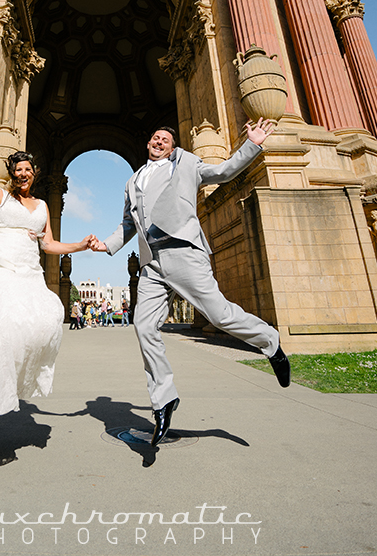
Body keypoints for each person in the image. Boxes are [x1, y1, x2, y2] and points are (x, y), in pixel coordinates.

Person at [89, 121, 291, 446]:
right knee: (143, 327)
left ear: (172, 147)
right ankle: (164, 399)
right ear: (149, 143)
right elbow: (129, 223)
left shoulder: (186, 164)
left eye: (165, 139)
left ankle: (270, 344)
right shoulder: (132, 181)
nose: (159, 141)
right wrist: (108, 245)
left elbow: (223, 172)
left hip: (183, 252)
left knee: (220, 316)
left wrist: (252, 144)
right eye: (155, 137)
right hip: (151, 262)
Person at [0, 150, 92, 419]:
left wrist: (79, 246)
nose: (24, 174)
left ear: (34, 173)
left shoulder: (43, 206)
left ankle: (7, 377)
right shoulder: (0, 196)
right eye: (19, 170)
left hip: (29, 268)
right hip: (1, 264)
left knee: (42, 321)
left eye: (28, 170)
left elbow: (48, 244)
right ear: (12, 173)